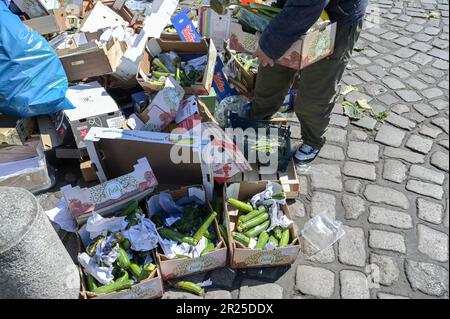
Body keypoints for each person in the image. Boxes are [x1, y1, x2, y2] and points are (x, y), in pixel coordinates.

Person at [252, 0, 368, 164]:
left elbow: (310, 4)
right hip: (293, 8)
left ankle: (312, 141)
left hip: (336, 17)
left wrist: (269, 45)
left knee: (315, 92)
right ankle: (258, 117)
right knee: (271, 73)